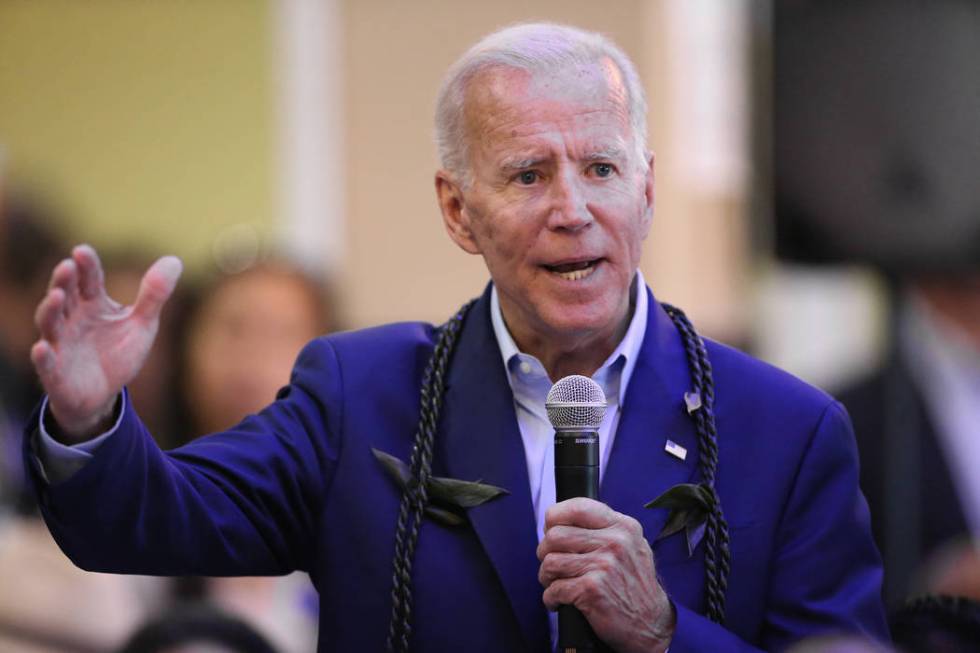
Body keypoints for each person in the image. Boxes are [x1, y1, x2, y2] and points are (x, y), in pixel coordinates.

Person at [24, 23, 887, 652]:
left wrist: (665, 633)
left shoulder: (788, 429)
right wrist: (88, 415)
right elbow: (148, 521)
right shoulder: (358, 396)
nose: (572, 210)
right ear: (457, 209)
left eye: (601, 168)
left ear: (648, 191)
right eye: (528, 173)